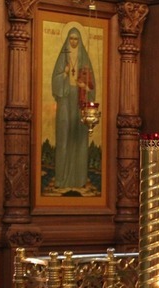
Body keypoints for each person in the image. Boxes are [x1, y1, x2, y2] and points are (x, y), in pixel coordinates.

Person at [51, 27, 95, 190]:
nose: (74, 41)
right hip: (65, 99)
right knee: (64, 136)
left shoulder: (84, 58)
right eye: (71, 38)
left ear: (80, 40)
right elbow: (55, 82)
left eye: (76, 38)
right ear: (67, 40)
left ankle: (79, 179)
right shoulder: (63, 57)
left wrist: (85, 87)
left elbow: (92, 86)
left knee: (79, 137)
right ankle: (61, 179)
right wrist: (64, 73)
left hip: (79, 100)